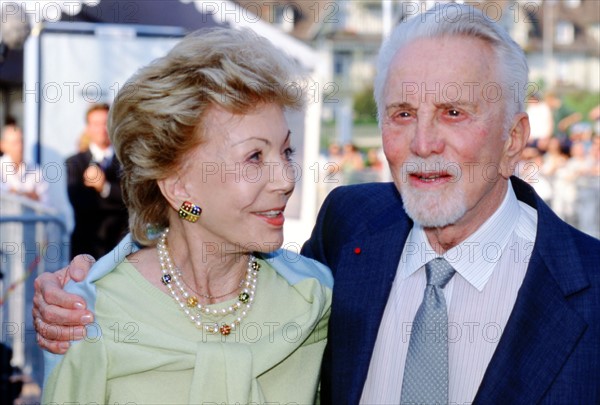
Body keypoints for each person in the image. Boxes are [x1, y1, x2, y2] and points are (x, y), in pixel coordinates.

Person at [33, 4, 600, 404]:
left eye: (454, 113)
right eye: (402, 113)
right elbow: (198, 245)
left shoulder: (590, 294)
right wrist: (92, 278)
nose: (424, 143)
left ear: (513, 139)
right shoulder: (349, 234)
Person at [38, 27, 332, 404]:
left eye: (286, 152)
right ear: (178, 186)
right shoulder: (92, 313)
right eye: (254, 157)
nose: (286, 179)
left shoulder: (311, 298)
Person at [65, 103, 128, 259]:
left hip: (120, 248)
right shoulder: (74, 162)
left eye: (105, 123)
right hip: (86, 248)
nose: (102, 129)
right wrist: (115, 196)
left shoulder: (127, 161)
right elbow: (80, 203)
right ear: (88, 128)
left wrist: (103, 187)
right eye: (96, 124)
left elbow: (131, 199)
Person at [0, 124, 49, 203]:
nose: (20, 147)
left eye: (21, 142)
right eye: (14, 143)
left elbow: (45, 202)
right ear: (2, 145)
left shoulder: (36, 170)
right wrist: (29, 195)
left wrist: (14, 192)